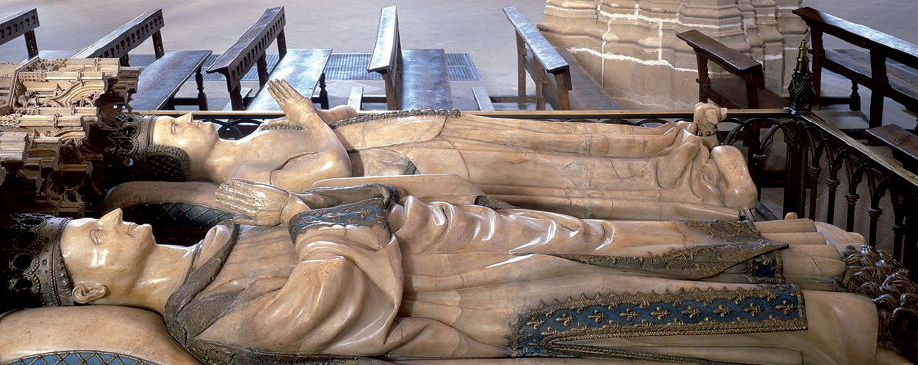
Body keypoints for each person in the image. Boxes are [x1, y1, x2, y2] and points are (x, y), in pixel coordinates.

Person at [0, 179, 917, 365]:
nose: (109, 225)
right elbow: (322, 307)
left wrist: (316, 210)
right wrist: (315, 216)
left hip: (470, 242)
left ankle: (813, 257)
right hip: (475, 306)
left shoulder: (218, 243)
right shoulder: (206, 321)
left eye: (94, 220)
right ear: (88, 297)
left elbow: (349, 210)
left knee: (648, 243)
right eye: (90, 243)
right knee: (664, 308)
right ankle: (845, 330)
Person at [103, 81, 756, 222]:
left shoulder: (247, 141)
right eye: (174, 128)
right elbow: (329, 168)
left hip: (418, 131)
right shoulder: (239, 174)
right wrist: (306, 117)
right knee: (558, 174)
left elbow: (336, 127)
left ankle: (679, 142)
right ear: (175, 162)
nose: (185, 118)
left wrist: (324, 115)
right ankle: (704, 192)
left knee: (554, 135)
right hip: (426, 167)